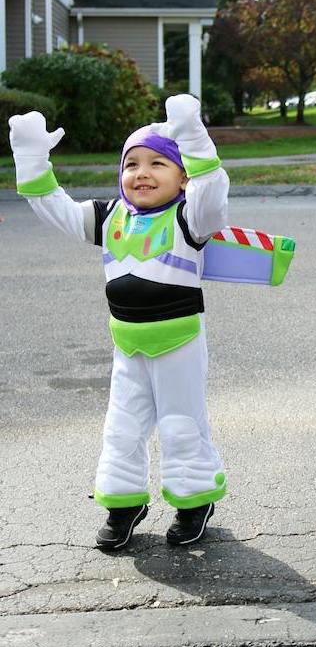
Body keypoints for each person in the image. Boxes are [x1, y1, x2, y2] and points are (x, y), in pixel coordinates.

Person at [9, 95, 230, 550]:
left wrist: (192, 135)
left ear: (183, 176)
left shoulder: (190, 217)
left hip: (180, 343)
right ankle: (124, 503)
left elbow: (212, 192)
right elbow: (56, 208)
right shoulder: (110, 217)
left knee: (181, 423)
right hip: (127, 345)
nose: (142, 173)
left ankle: (194, 504)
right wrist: (31, 157)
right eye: (131, 164)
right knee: (122, 425)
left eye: (157, 163)